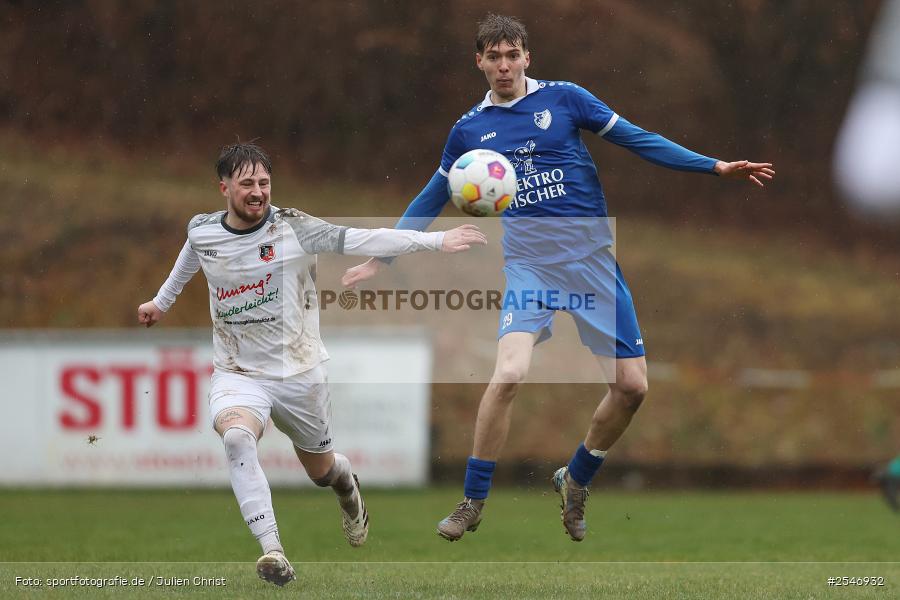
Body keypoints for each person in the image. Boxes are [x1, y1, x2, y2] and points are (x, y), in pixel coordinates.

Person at [342, 14, 775, 543]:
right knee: (509, 374)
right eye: (494, 57)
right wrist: (382, 256)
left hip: (592, 261)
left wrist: (714, 166)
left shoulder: (566, 99)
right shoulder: (469, 131)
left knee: (632, 388)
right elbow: (431, 197)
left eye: (512, 55)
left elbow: (638, 138)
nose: (504, 66)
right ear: (479, 62)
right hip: (532, 267)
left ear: (528, 57)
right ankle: (473, 500)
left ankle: (576, 479)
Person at [137, 143, 486, 585]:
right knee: (237, 439)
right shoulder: (203, 230)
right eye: (247, 184)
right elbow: (192, 254)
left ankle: (347, 487)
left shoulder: (294, 228)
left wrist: (435, 240)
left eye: (264, 182)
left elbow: (363, 238)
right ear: (224, 188)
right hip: (237, 371)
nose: (258, 192)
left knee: (322, 472)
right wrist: (161, 301)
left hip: (300, 373)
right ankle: (273, 551)